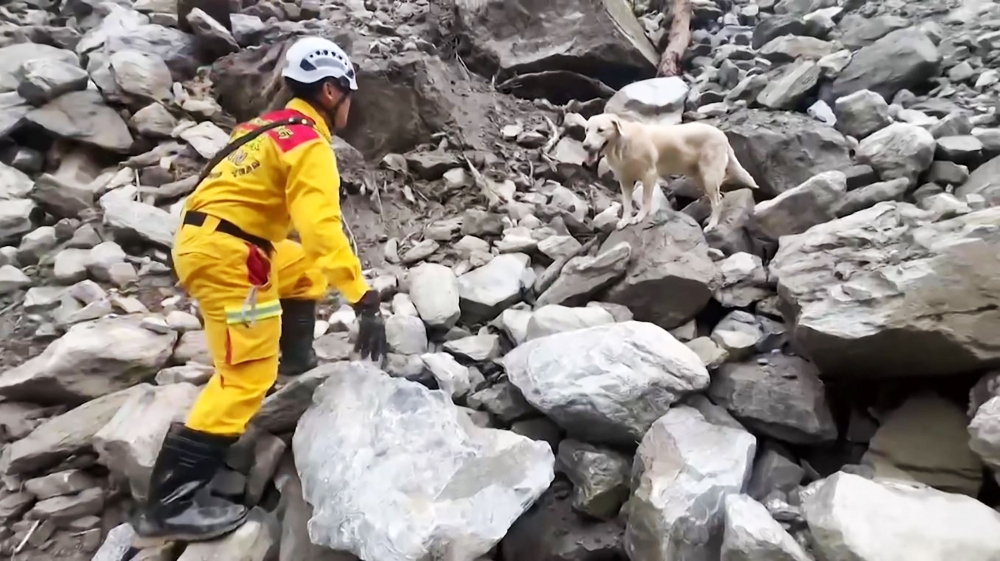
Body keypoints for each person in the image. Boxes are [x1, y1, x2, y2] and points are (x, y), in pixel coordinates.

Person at [131, 36, 386, 546]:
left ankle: (294, 362)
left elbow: (303, 243)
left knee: (302, 268)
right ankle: (170, 501)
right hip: (231, 258)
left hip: (214, 241)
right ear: (332, 92)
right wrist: (364, 301)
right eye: (349, 95)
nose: (350, 107)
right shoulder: (309, 144)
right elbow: (322, 230)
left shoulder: (263, 129)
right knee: (245, 374)